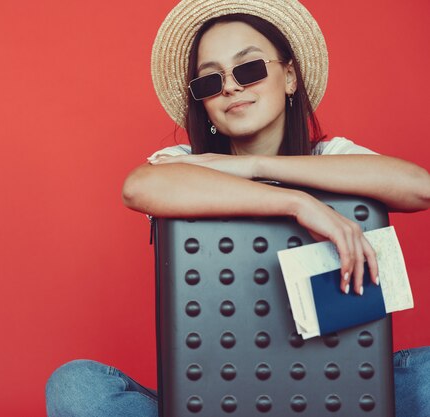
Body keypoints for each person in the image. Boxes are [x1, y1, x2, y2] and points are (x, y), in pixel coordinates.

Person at [45, 0, 430, 416]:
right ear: (204, 103)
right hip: (215, 396)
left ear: (289, 76)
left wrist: (254, 165)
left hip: (342, 388)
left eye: (249, 69)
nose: (230, 87)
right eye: (210, 81)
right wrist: (296, 203)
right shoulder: (187, 163)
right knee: (77, 387)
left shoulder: (333, 156)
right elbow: (139, 187)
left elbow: (420, 188)